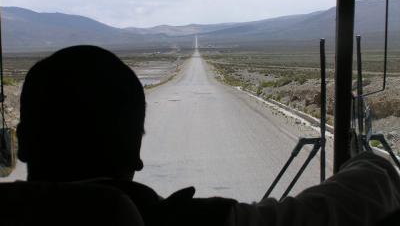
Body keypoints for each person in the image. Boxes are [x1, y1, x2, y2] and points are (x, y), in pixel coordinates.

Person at [17, 45, 400, 226]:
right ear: (135, 153)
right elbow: (340, 206)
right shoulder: (184, 224)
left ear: (21, 142)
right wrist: (370, 160)